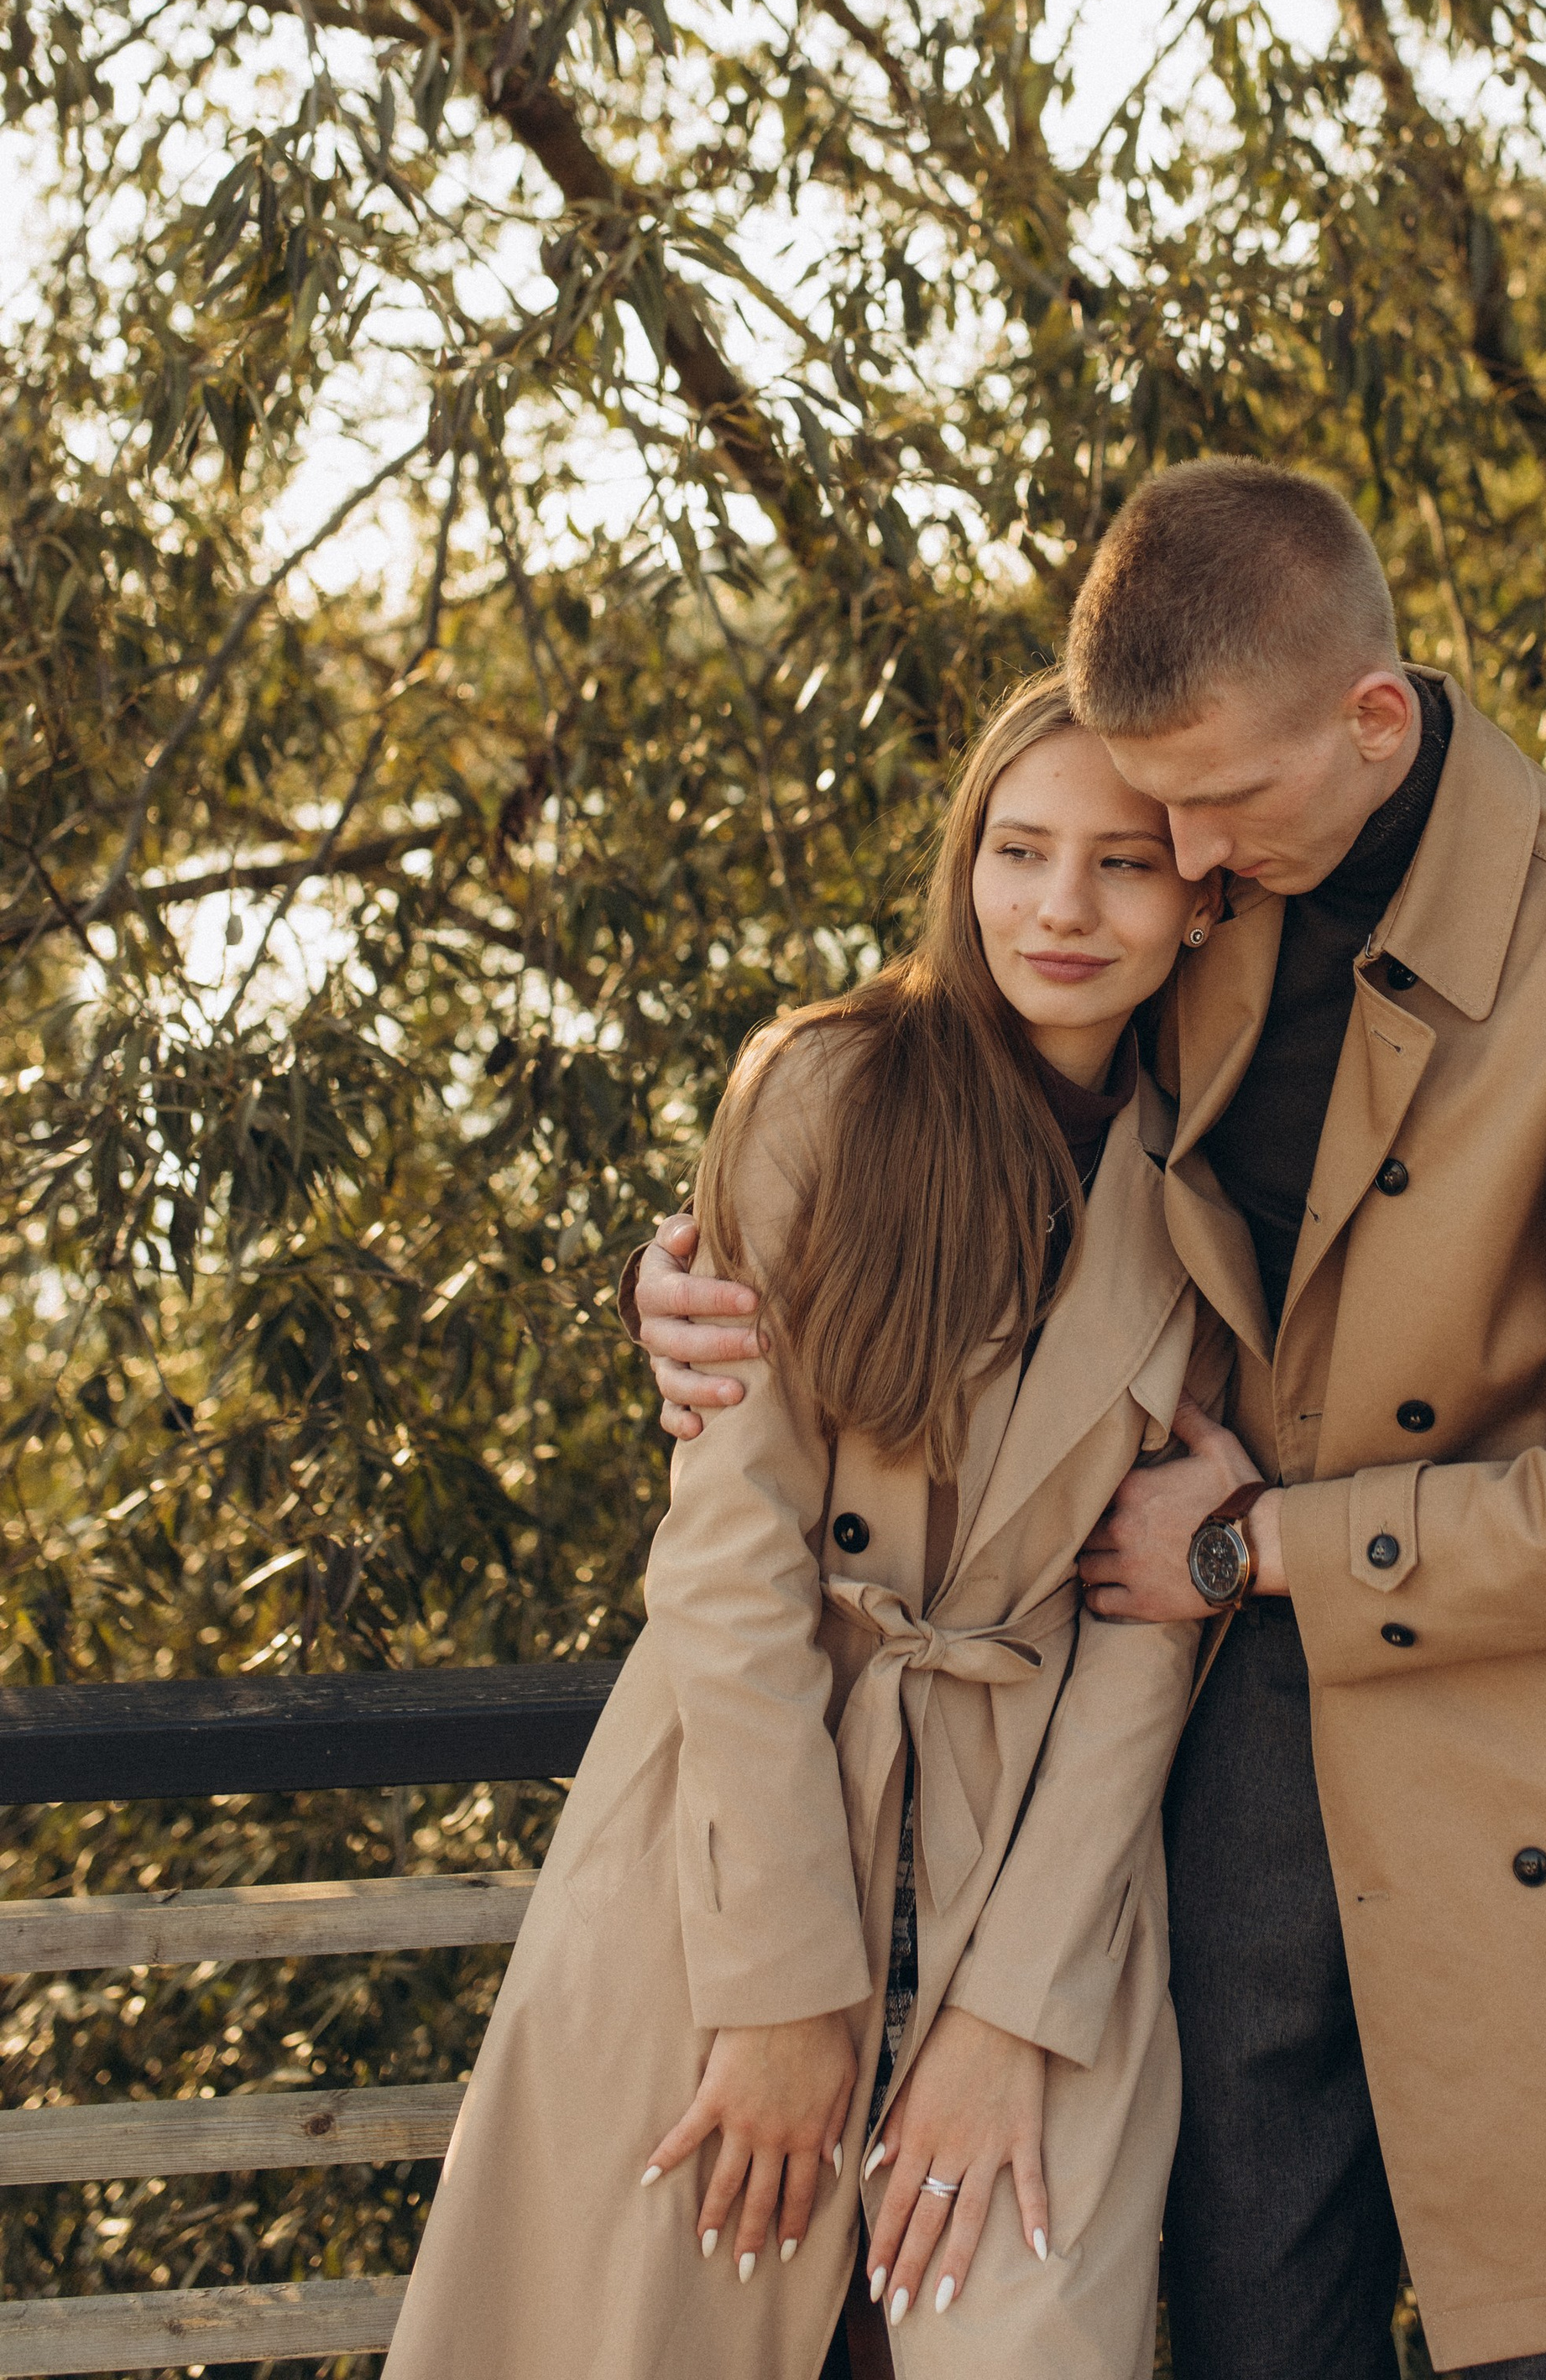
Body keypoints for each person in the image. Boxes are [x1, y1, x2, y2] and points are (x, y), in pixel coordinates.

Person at [629, 459, 1546, 2380]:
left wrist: (1259, 1544)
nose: (1173, 851)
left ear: (1374, 720)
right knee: (1257, 2334)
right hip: (1233, 1767)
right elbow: (959, 1119)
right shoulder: (1209, 878)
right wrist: (685, 1290)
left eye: (1209, 807)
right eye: (1147, 806)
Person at [389, 672, 1228, 2380]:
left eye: (1123, 864)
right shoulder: (826, 1095)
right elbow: (730, 1548)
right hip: (743, 1842)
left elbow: (1146, 1632)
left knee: (1020, 2329)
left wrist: (1009, 2019)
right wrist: (781, 1990)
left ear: (1202, 889)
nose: (1059, 909)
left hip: (1033, 1880)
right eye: (1017, 849)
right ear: (962, 861)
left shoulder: (1217, 1180)